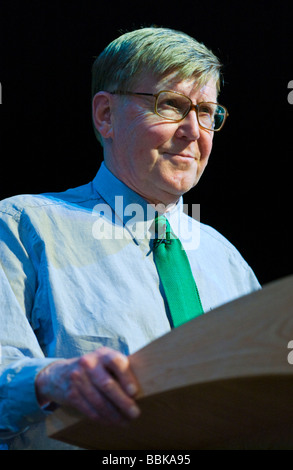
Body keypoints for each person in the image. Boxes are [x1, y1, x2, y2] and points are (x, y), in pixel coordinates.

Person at [0, 27, 260, 450]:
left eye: (207, 112)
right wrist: (50, 380)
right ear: (105, 116)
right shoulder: (22, 227)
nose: (194, 131)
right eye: (171, 105)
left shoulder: (227, 260)